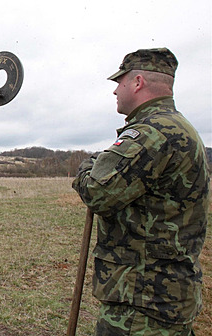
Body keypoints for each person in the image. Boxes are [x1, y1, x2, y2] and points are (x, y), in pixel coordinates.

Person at [72, 47, 209, 335]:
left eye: (118, 83)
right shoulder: (180, 127)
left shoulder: (151, 132)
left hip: (143, 302)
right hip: (166, 294)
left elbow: (98, 192)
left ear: (137, 83)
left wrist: (87, 167)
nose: (115, 92)